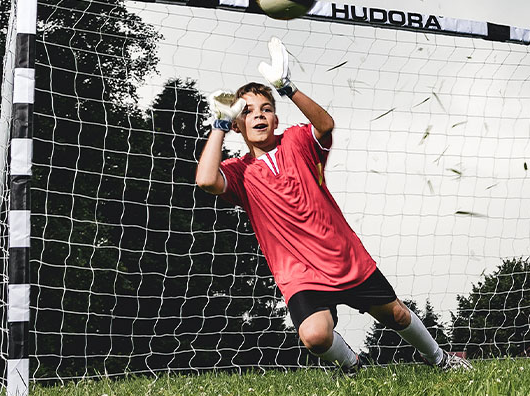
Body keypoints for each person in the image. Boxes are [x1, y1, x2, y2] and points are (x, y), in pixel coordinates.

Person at [195, 37, 471, 375]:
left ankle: (442, 360)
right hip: (299, 273)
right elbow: (207, 181)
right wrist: (219, 126)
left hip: (343, 256)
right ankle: (354, 365)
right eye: (248, 112)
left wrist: (286, 87)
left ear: (277, 120)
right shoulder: (239, 172)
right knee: (314, 335)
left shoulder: (296, 141)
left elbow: (325, 125)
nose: (259, 116)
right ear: (238, 125)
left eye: (266, 109)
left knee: (396, 314)